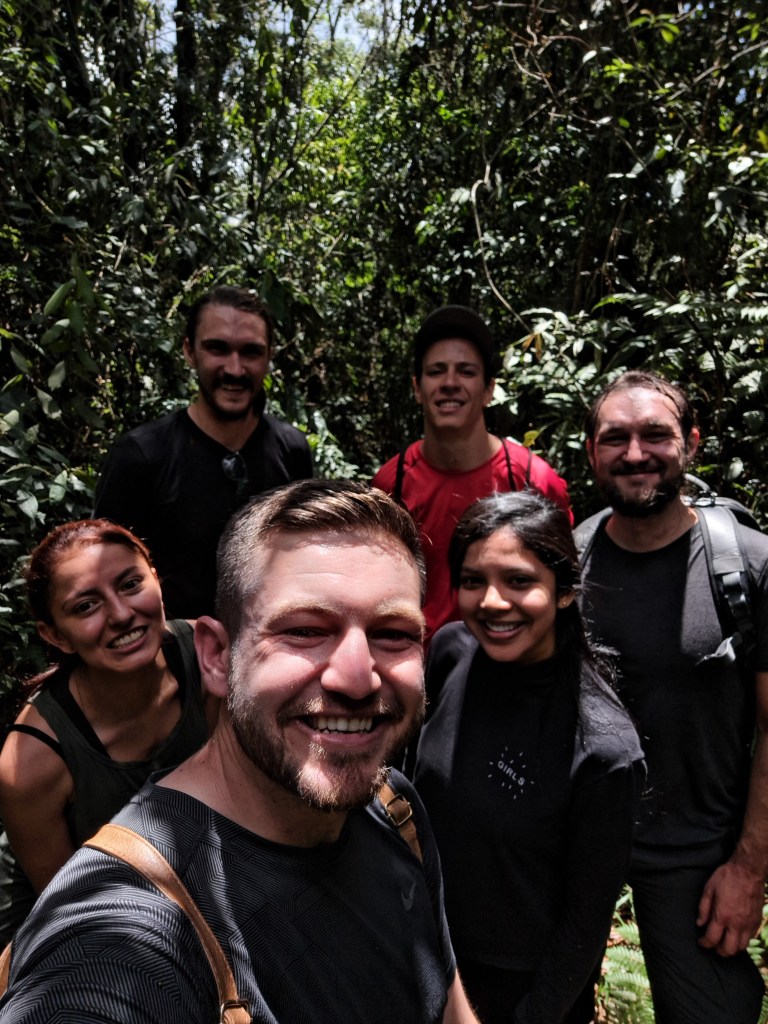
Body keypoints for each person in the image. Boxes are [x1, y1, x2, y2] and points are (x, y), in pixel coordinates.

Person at [0, 480, 478, 1024]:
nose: (357, 677)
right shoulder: (122, 930)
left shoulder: (395, 806)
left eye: (393, 634)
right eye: (304, 630)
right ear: (218, 657)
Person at [411, 489, 644, 1024]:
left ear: (564, 592)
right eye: (473, 581)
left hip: (518, 988)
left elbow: (584, 926)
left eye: (518, 581)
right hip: (421, 952)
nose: (492, 602)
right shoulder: (451, 652)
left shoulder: (605, 749)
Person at [578, 370, 768, 1023]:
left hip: (701, 855)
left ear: (691, 440)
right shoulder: (568, 563)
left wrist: (749, 867)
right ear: (591, 451)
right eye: (616, 438)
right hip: (580, 848)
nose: (635, 453)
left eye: (655, 434)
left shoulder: (749, 564)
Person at [0, 519, 217, 946]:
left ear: (155, 577)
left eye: (131, 584)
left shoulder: (205, 654)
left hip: (179, 867)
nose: (120, 614)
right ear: (54, 635)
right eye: (86, 606)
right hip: (59, 908)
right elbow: (72, 910)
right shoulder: (30, 761)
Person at [94, 284, 313, 618]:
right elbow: (105, 576)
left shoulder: (291, 449)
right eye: (217, 349)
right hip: (173, 646)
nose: (235, 369)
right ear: (190, 351)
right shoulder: (141, 455)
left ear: (269, 356)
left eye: (251, 352)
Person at [372, 305, 570, 642]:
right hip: (419, 664)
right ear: (418, 388)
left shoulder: (532, 480)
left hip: (510, 659)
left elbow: (562, 589)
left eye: (466, 371)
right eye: (436, 371)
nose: (450, 383)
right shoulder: (391, 484)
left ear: (489, 389)